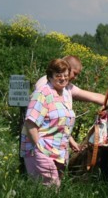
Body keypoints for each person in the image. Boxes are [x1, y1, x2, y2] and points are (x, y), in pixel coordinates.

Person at [20, 58, 76, 186]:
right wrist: (40, 148)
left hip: (59, 151)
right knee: (50, 188)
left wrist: (71, 142)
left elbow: (63, 123)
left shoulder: (66, 93)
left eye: (66, 75)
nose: (63, 78)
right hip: (42, 150)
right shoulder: (42, 93)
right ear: (50, 77)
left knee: (53, 190)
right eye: (58, 75)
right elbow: (30, 123)